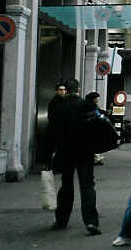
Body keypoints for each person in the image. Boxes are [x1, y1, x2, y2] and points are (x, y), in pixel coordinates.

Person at [51, 78, 102, 235]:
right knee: (87, 186)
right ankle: (91, 222)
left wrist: (46, 155)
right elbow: (98, 127)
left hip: (65, 152)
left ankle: (61, 220)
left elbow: (51, 132)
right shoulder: (87, 105)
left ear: (66, 90)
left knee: (66, 186)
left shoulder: (59, 107)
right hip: (84, 152)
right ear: (78, 90)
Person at [44, 81, 66, 167]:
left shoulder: (64, 101)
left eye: (64, 90)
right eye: (60, 90)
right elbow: (51, 116)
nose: (62, 91)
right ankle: (50, 165)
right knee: (53, 148)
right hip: (55, 129)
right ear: (56, 91)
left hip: (60, 128)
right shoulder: (54, 102)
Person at [85, 92, 110, 166]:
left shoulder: (93, 105)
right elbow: (96, 113)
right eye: (96, 98)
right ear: (93, 99)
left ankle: (95, 157)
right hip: (91, 127)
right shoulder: (90, 106)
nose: (97, 99)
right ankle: (94, 158)